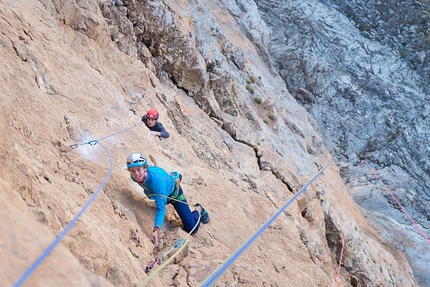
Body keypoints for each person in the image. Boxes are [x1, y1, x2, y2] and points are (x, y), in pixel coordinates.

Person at [127, 152, 209, 247]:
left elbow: (161, 209)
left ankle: (199, 209)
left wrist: (156, 230)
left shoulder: (157, 182)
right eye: (133, 171)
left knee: (191, 228)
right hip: (163, 192)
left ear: (145, 168)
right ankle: (171, 179)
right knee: (160, 196)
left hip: (175, 194)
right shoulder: (135, 177)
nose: (136, 174)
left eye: (138, 169)